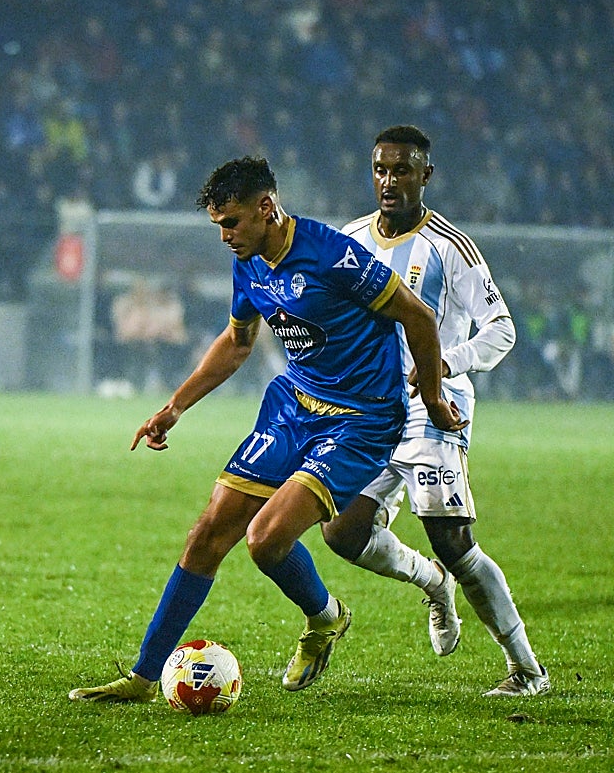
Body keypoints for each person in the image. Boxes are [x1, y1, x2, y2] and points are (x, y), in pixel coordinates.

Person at [69, 156, 463, 703]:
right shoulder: (248, 260)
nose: (225, 236)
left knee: (264, 540)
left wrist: (436, 399)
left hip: (361, 418)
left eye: (231, 222)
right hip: (293, 405)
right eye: (218, 225)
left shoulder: (332, 255)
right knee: (207, 534)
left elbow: (417, 316)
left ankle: (324, 618)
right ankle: (143, 675)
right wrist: (174, 408)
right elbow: (236, 342)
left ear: (266, 207)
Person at [323, 125, 548, 697]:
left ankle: (526, 670)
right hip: (369, 408)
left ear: (426, 175)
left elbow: (502, 330)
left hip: (434, 407)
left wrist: (444, 364)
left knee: (452, 537)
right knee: (341, 532)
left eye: (402, 170)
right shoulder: (348, 239)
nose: (389, 181)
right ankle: (432, 583)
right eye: (380, 169)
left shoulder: (451, 246)